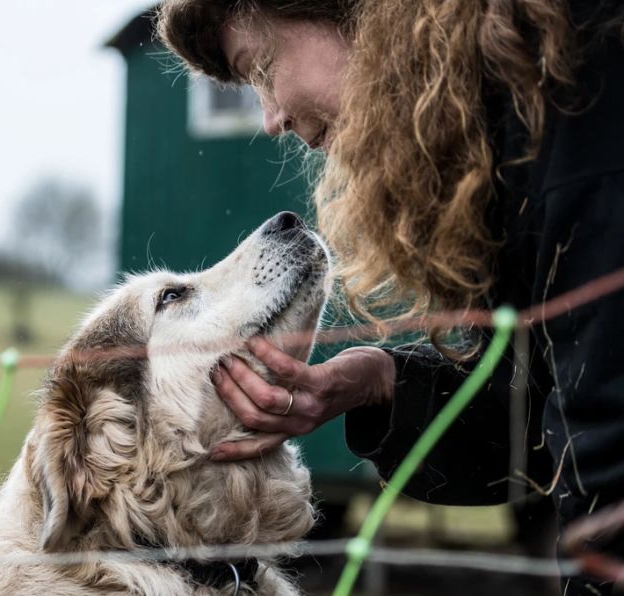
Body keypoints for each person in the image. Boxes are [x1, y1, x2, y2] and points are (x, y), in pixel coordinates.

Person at [157, 1, 624, 594]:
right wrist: (379, 383)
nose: (271, 117)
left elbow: (608, 444)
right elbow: (545, 415)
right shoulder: (503, 141)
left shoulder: (581, 103)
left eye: (262, 68)